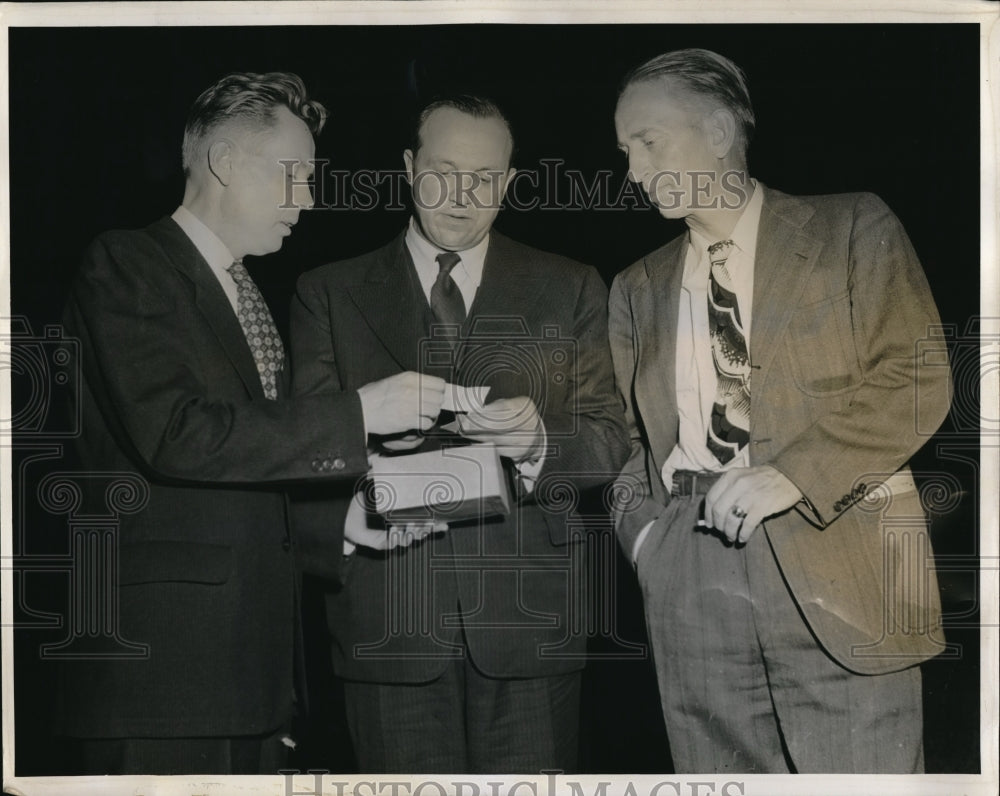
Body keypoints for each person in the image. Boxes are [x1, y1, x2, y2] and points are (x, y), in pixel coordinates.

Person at [59, 71, 445, 775]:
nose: (308, 195)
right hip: (161, 685)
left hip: (252, 685)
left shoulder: (245, 293)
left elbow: (241, 473)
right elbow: (177, 433)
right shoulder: (128, 264)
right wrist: (361, 411)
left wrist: (342, 524)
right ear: (224, 161)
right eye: (292, 172)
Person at [608, 49, 952, 773]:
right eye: (624, 151)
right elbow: (628, 443)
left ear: (718, 131)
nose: (633, 170)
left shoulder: (852, 227)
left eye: (648, 142)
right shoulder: (635, 287)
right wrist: (651, 548)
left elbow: (916, 381)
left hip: (847, 568)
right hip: (692, 582)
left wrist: (790, 475)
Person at [289, 95, 629, 773]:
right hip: (389, 624)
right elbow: (304, 456)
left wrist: (538, 443)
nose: (462, 195)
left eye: (485, 178)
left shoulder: (572, 287)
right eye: (444, 170)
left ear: (508, 183)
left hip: (531, 627)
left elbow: (610, 439)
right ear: (410, 167)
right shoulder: (326, 291)